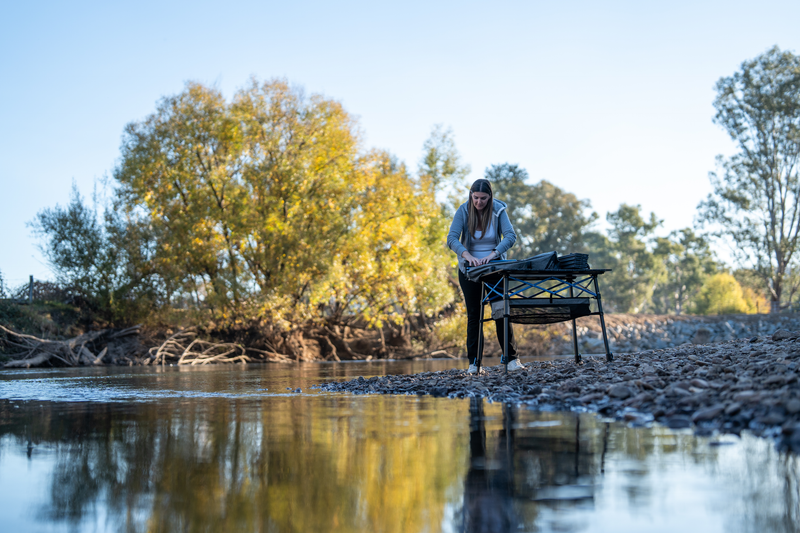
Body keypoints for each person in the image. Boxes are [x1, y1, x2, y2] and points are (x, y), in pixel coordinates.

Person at [447, 178, 524, 373]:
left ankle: (511, 359)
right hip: (470, 270)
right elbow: (452, 238)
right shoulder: (463, 211)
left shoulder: (498, 210)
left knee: (500, 311)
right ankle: (474, 363)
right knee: (474, 315)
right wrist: (468, 256)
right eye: (475, 198)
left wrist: (492, 256)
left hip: (494, 268)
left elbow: (510, 236)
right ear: (471, 196)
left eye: (483, 198)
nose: (479, 202)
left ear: (490, 197)